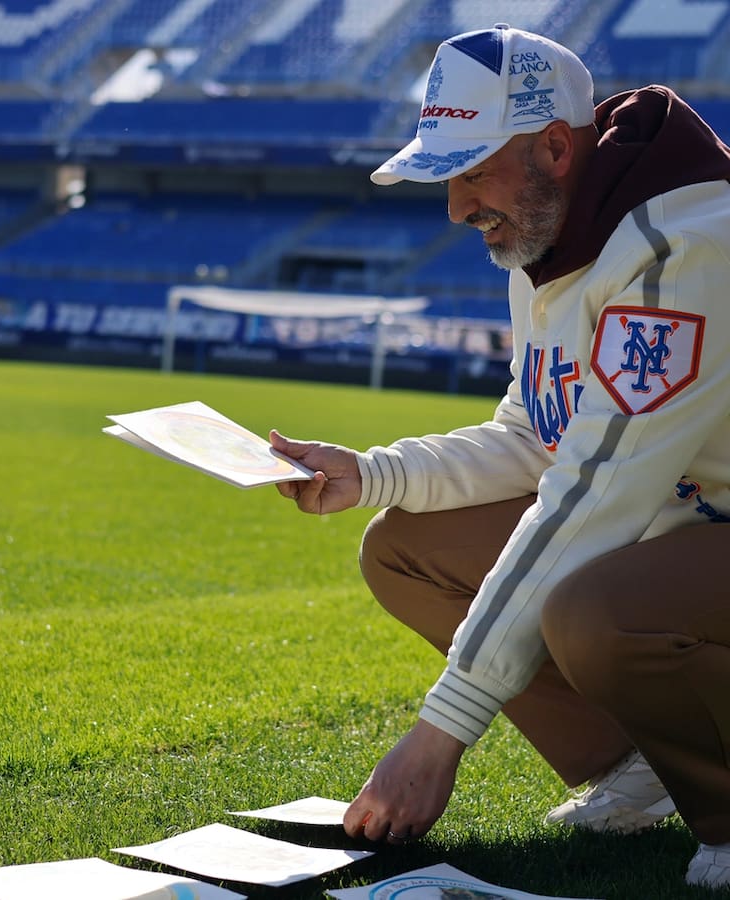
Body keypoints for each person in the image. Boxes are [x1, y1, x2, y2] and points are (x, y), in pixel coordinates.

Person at [270, 23, 730, 891]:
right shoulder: (551, 242)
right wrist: (371, 472)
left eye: (473, 172)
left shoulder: (689, 246)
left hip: (692, 534)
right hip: (683, 528)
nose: (455, 207)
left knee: (596, 608)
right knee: (405, 544)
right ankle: (647, 764)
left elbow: (594, 493)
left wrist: (441, 730)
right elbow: (535, 436)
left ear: (556, 147)